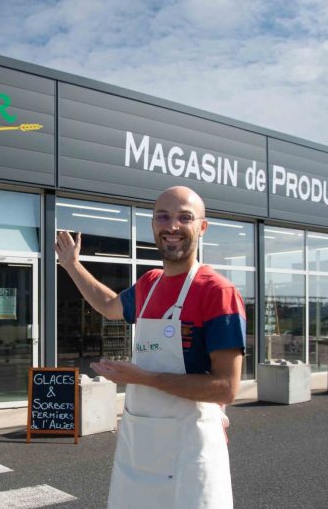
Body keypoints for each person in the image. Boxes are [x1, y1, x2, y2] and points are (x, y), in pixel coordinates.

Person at [55, 186, 245, 509]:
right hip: (139, 451)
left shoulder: (219, 293)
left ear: (202, 226)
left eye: (184, 217)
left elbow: (226, 388)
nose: (172, 226)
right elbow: (109, 304)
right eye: (163, 216)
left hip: (192, 456)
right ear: (153, 225)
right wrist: (72, 265)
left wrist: (142, 377)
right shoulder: (149, 285)